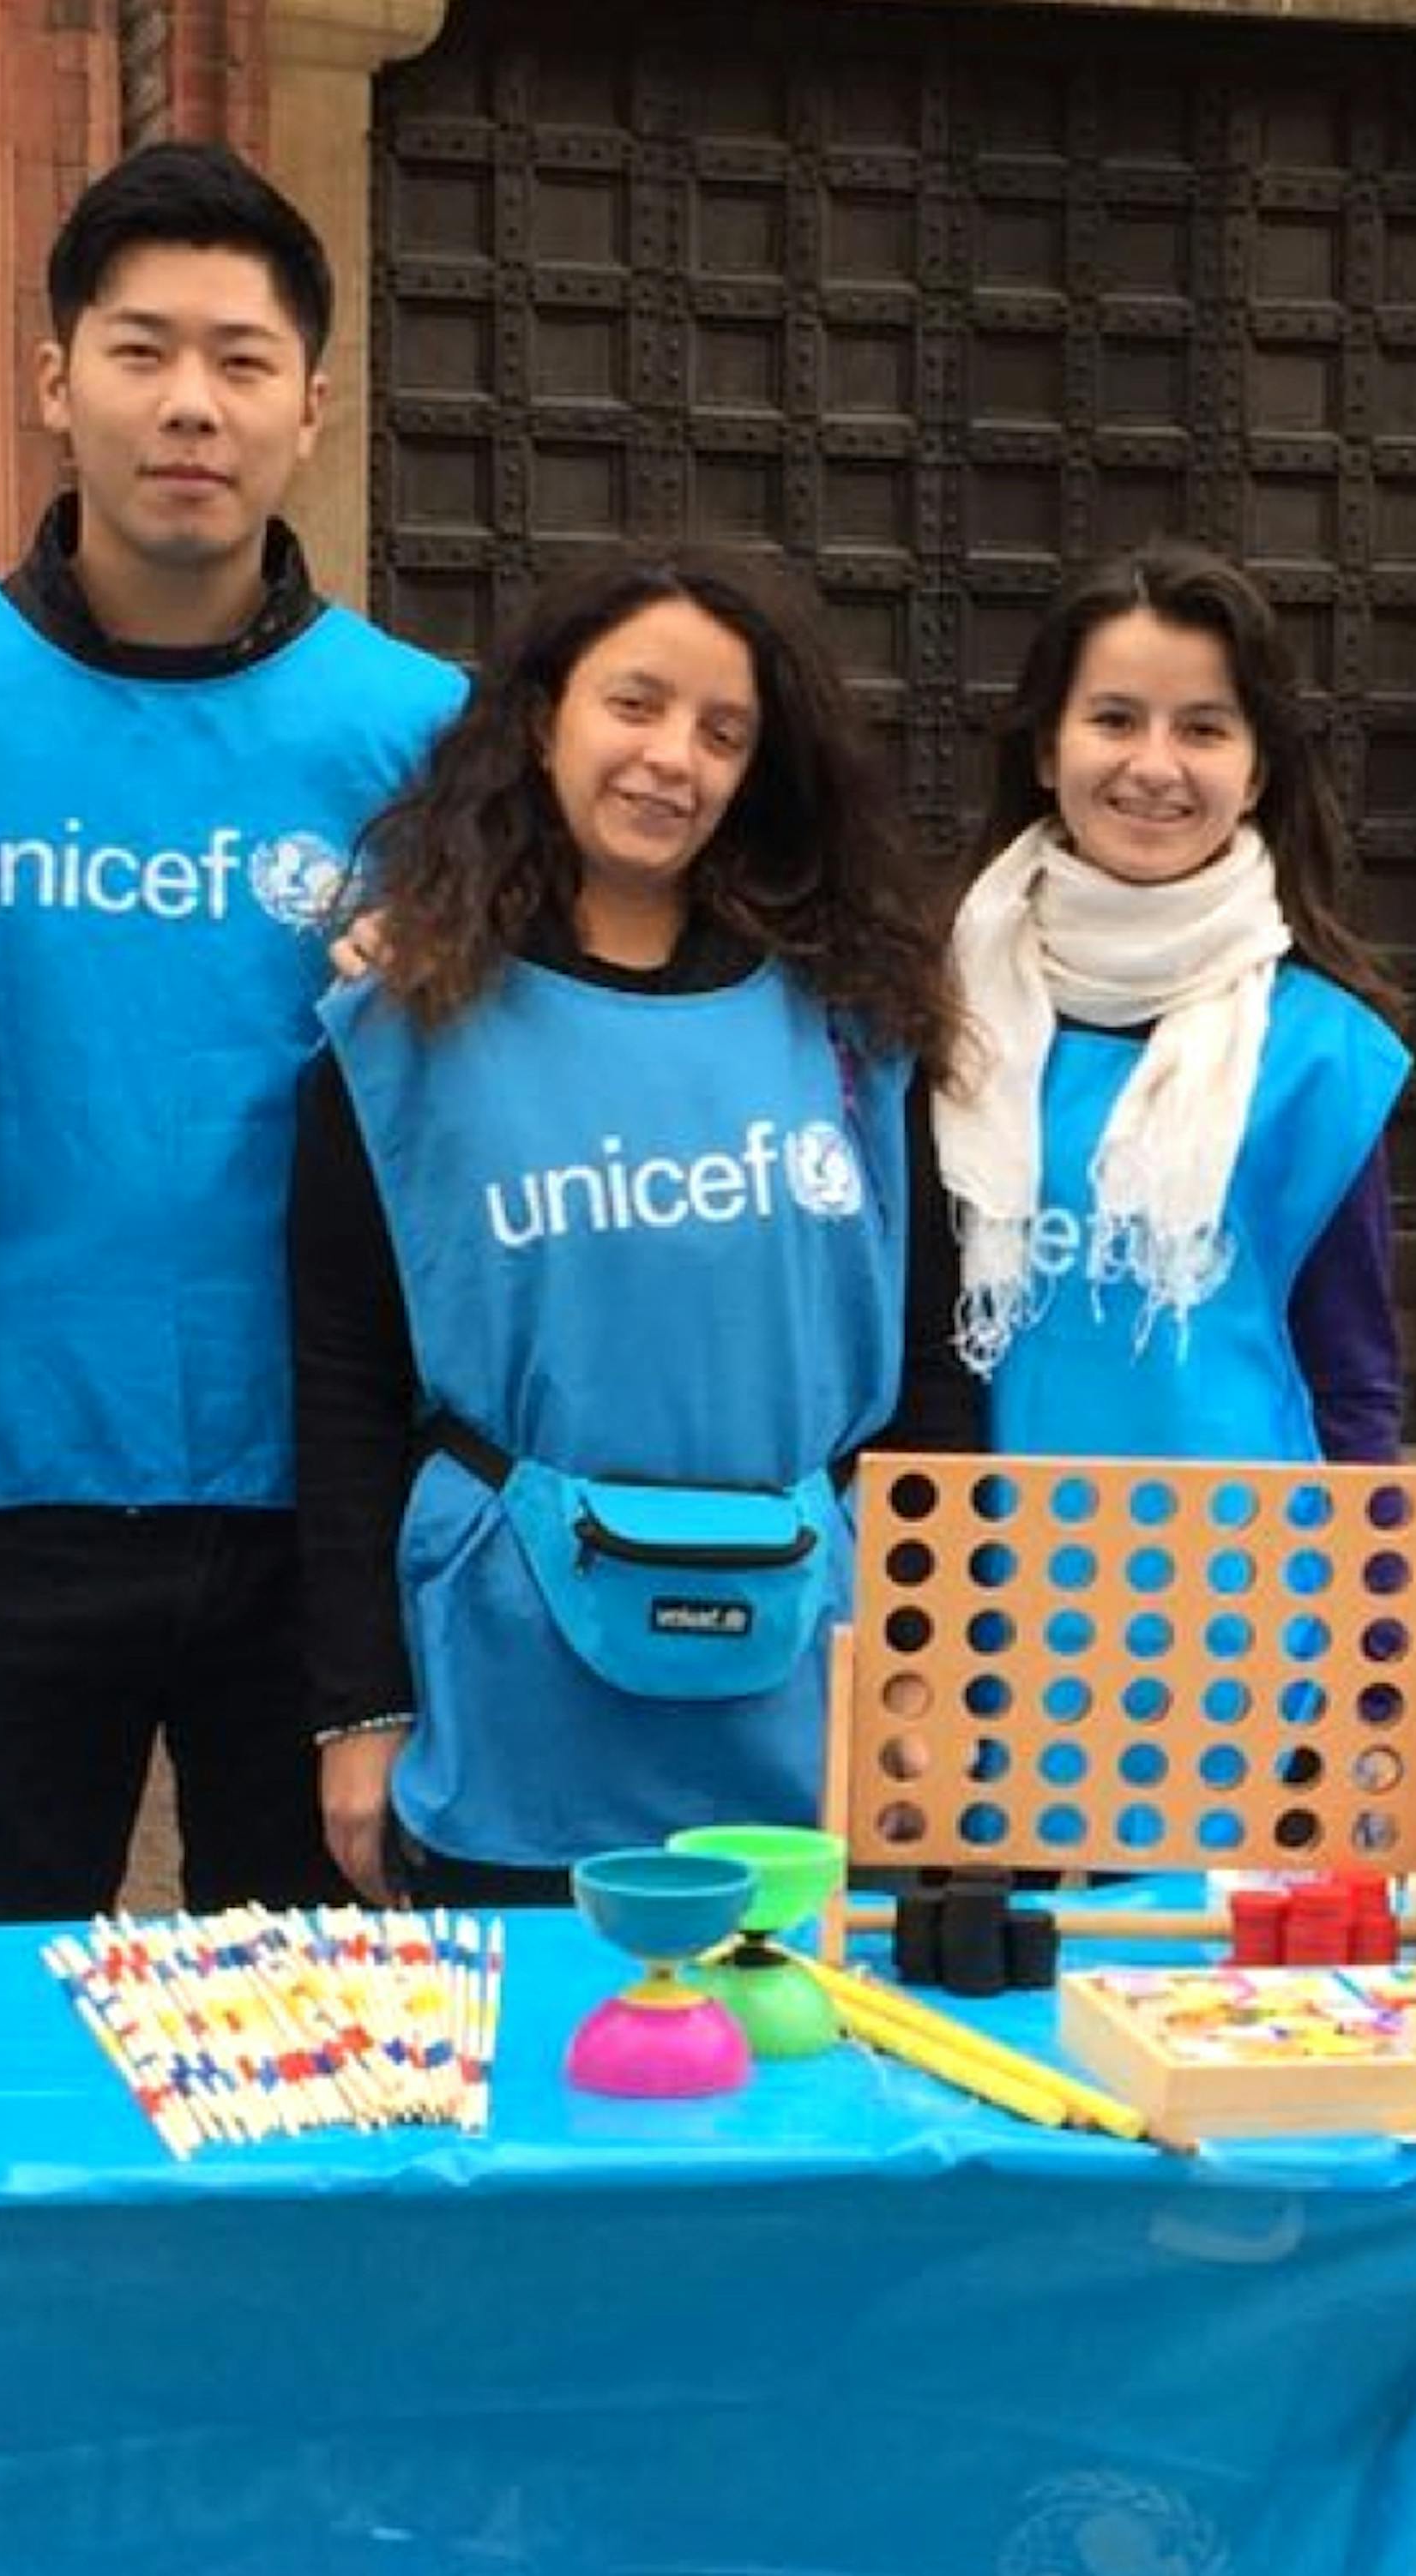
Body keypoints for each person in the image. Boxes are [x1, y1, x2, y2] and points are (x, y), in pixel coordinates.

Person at [0, 141, 465, 1921]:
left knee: (319, 2039)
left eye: (240, 360)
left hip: (321, 1513)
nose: (188, 405)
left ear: (313, 406)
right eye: (140, 352)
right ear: (55, 381)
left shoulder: (427, 733)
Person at [292, 551, 979, 1908]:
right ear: (546, 716)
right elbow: (343, 1390)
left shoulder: (855, 1028)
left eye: (723, 733)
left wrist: (934, 1672)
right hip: (509, 1697)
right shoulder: (399, 1037)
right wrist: (358, 1708)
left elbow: (930, 1379)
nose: (673, 759)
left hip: (801, 1692)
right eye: (636, 705)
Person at [932, 541, 1411, 1460]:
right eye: (1114, 719)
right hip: (979, 1581)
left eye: (1202, 729)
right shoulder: (936, 1018)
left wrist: (1377, 1602)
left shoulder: (1325, 1057)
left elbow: (1354, 1379)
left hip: (1244, 1585)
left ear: (1257, 771)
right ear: (1045, 747)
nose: (1154, 766)